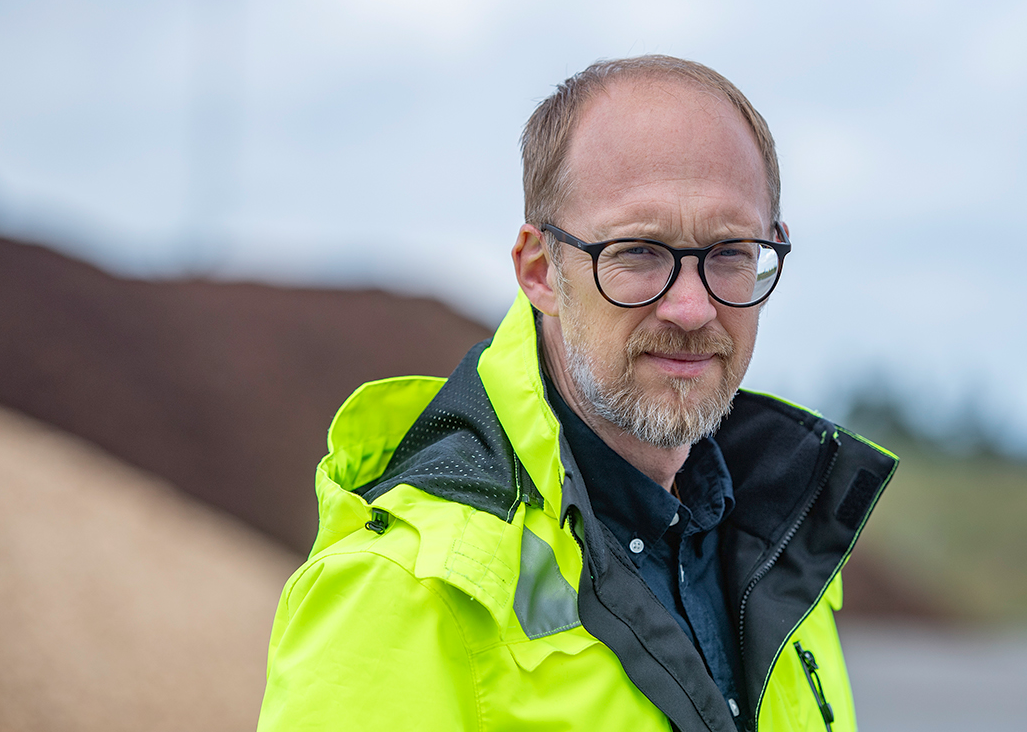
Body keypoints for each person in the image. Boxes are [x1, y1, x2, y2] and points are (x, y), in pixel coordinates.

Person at [257, 55, 898, 732]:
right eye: (638, 252)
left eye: (730, 252)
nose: (691, 308)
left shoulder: (779, 558)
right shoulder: (404, 590)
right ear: (540, 271)